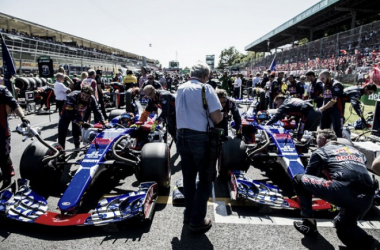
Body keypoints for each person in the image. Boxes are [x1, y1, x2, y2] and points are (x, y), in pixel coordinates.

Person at [292, 129, 380, 249]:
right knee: (343, 227)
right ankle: (372, 245)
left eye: (317, 141)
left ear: (322, 140)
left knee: (298, 179)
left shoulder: (321, 151)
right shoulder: (357, 152)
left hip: (343, 191)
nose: (317, 144)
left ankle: (309, 224)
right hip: (367, 196)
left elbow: (309, 177)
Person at [176, 63, 223, 232]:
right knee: (205, 178)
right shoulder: (206, 88)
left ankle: (189, 214)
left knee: (188, 178)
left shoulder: (180, 88)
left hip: (181, 135)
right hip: (200, 137)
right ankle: (197, 219)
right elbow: (217, 118)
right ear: (206, 76)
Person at [58, 85, 107, 150]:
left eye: (87, 96)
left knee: (77, 130)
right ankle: (61, 150)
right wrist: (83, 123)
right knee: (62, 131)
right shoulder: (72, 97)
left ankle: (77, 146)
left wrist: (103, 122)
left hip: (78, 112)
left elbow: (97, 110)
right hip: (67, 113)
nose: (84, 97)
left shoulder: (91, 98)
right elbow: (69, 115)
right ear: (81, 92)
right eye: (83, 95)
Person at [0, 85, 30, 189]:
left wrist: (23, 117)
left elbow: (14, 104)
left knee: (3, 156)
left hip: (1, 130)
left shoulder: (1, 90)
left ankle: (7, 178)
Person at [319, 70, 345, 137]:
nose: (321, 80)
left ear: (328, 76)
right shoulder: (324, 85)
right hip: (326, 110)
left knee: (337, 130)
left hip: (336, 110)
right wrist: (322, 108)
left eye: (323, 78)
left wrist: (322, 108)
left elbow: (333, 100)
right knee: (323, 130)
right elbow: (325, 98)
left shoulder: (337, 85)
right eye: (320, 79)